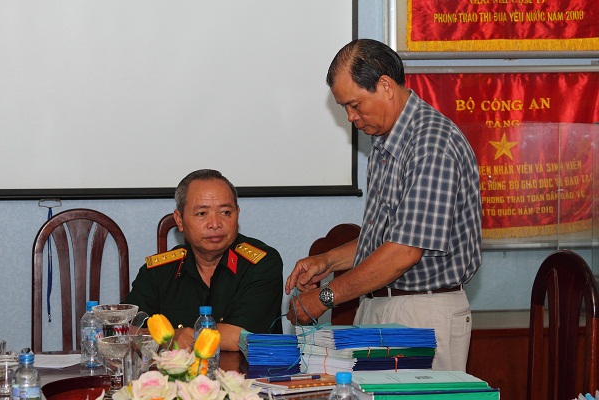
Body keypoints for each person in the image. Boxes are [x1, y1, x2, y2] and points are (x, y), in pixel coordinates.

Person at [285, 39, 482, 371]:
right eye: (345, 107)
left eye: (355, 105)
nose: (351, 117)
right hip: (379, 305)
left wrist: (325, 297)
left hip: (421, 314)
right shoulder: (385, 140)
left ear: (386, 86)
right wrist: (327, 261)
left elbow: (403, 252)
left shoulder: (431, 143)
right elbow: (383, 240)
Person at [126, 169, 283, 351]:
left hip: (246, 369)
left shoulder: (262, 263)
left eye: (225, 212)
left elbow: (239, 337)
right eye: (202, 213)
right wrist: (172, 337)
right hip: (175, 370)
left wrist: (185, 337)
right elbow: (126, 330)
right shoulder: (159, 271)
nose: (215, 224)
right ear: (180, 220)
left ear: (237, 214)